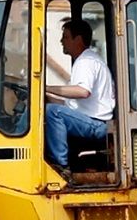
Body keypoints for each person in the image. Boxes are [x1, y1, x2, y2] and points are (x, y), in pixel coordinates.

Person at [45, 18, 115, 175]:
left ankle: (60, 166)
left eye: (65, 37)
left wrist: (47, 87)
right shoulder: (85, 61)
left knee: (53, 112)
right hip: (89, 120)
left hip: (96, 124)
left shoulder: (86, 62)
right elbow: (72, 104)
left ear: (78, 39)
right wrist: (44, 96)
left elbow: (83, 92)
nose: (61, 41)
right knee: (50, 109)